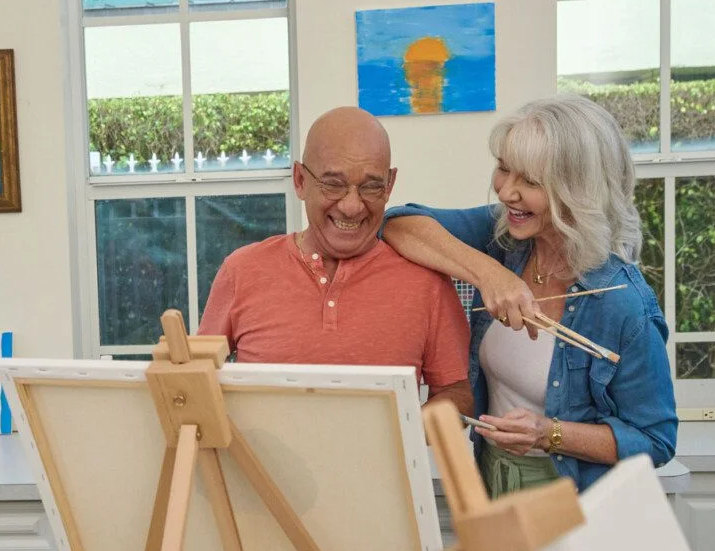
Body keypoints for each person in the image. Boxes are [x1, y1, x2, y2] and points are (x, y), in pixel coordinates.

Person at [382, 95, 676, 495]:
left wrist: (548, 433)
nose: (506, 192)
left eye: (530, 182)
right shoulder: (504, 239)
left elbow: (656, 440)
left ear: (578, 190)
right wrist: (491, 275)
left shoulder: (623, 303)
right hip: (490, 479)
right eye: (504, 169)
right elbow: (399, 225)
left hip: (573, 494)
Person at [199, 106, 473, 415]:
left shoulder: (428, 282)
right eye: (333, 184)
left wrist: (404, 431)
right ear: (300, 180)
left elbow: (456, 392)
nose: (352, 206)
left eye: (371, 187)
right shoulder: (242, 270)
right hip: (259, 465)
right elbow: (198, 382)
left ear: (390, 185)